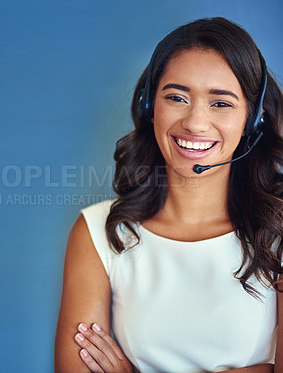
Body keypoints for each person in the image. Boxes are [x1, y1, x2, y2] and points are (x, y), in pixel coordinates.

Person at [55, 17, 283, 373]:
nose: (194, 122)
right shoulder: (98, 232)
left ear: (251, 121)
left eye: (220, 103)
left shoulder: (278, 231)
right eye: (177, 97)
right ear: (151, 107)